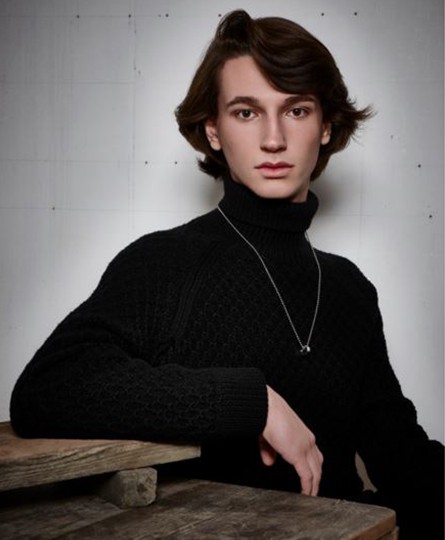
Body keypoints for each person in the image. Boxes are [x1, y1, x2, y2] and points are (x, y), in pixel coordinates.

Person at [10, 10, 443, 539]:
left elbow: (403, 459)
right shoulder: (166, 262)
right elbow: (46, 389)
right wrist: (250, 403)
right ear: (213, 131)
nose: (274, 139)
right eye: (246, 112)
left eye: (297, 110)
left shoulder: (350, 289)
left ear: (326, 126)